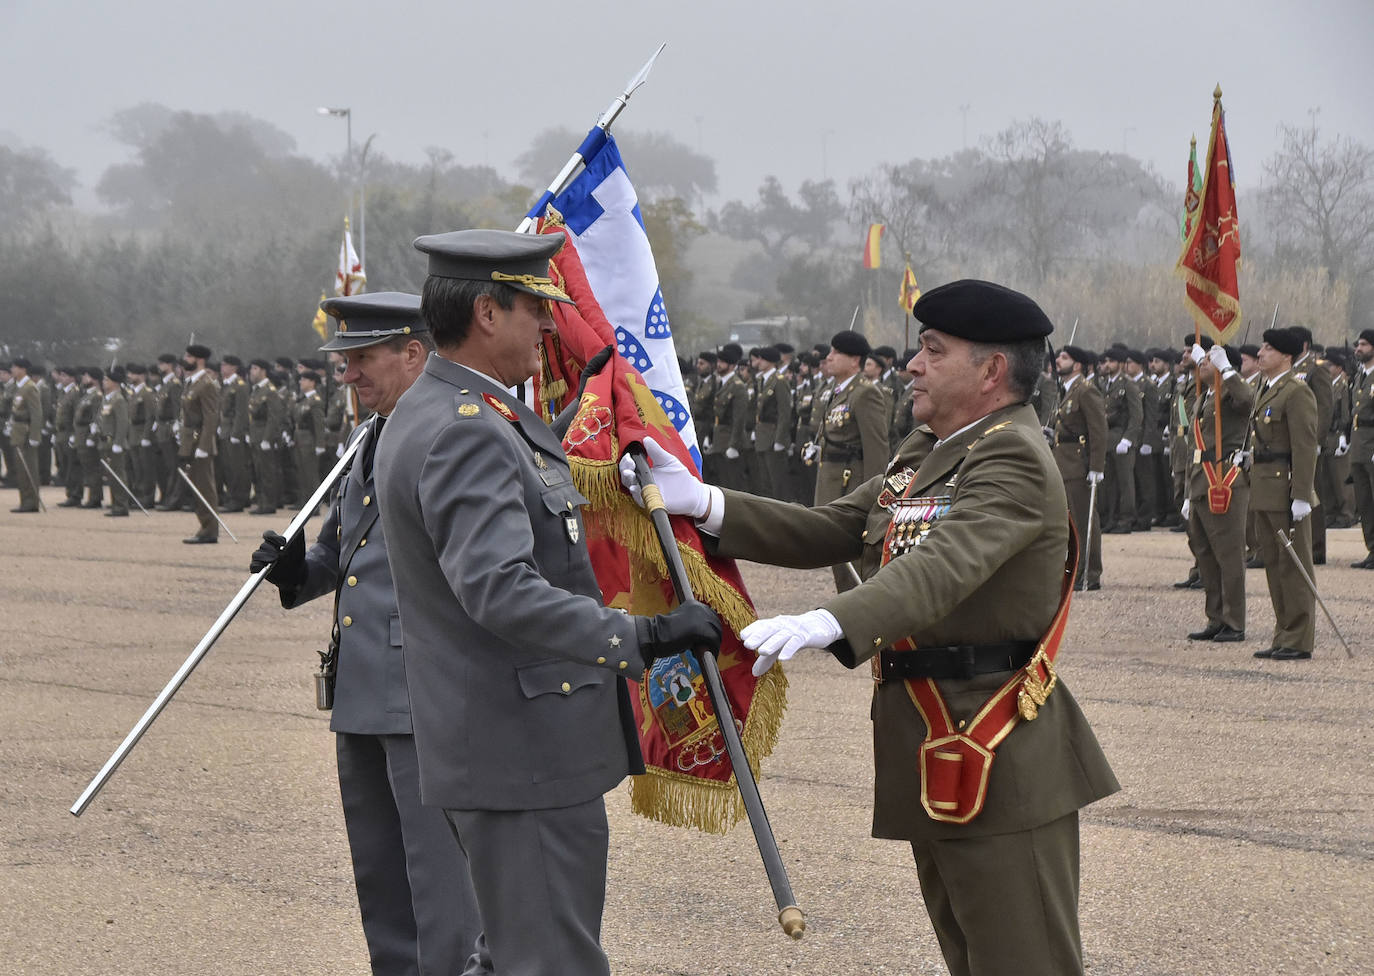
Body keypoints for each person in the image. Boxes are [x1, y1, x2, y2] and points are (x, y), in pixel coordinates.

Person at [623, 279, 1118, 976]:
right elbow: (837, 527)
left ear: (991, 370)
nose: (912, 365)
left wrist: (832, 619)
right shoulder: (929, 448)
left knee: (1024, 961)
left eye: (933, 351)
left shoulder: (1013, 458)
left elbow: (942, 566)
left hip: (997, 749)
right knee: (972, 956)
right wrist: (704, 504)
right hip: (932, 737)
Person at [374, 228, 721, 976]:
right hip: (517, 748)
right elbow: (500, 589)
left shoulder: (453, 411)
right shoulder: (468, 430)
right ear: (487, 314)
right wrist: (644, 633)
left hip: (502, 742)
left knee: (512, 956)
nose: (549, 325)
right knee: (552, 962)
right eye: (535, 308)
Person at [251, 292, 486, 976]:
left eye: (360, 360)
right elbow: (342, 551)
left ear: (414, 353)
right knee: (382, 875)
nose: (346, 375)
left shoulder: (453, 432)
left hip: (421, 689)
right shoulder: (372, 438)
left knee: (440, 881)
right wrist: (297, 570)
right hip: (360, 688)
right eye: (343, 362)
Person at [1248, 328, 1319, 661]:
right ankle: (1284, 633)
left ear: (1286, 357)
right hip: (1264, 488)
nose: (1261, 353)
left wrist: (1302, 494)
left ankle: (1299, 639)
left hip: (1286, 489)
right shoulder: (1267, 387)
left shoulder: (1296, 391)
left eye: (1268, 348)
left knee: (1294, 565)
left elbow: (1305, 446)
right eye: (1261, 347)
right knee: (1275, 566)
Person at [1182, 343, 1254, 643]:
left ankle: (1234, 621)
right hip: (1201, 481)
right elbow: (1194, 446)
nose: (1202, 362)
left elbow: (1248, 401)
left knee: (1228, 554)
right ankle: (1215, 617)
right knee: (1205, 553)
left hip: (1224, 479)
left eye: (1208, 359)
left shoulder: (1231, 391)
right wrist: (1188, 491)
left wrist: (1226, 369)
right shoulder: (1206, 394)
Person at [812, 329, 889, 591]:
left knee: (855, 560)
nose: (829, 357)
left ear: (854, 360)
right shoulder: (837, 391)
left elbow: (876, 448)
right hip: (832, 481)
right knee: (838, 556)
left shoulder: (864, 393)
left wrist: (875, 499)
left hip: (851, 484)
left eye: (836, 352)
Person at [1053, 345, 1107, 590]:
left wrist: (1097, 466)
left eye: (1064, 358)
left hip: (1078, 463)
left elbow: (1098, 430)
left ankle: (1090, 573)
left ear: (1076, 365)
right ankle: (1073, 569)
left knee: (1084, 519)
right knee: (1068, 521)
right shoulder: (1066, 391)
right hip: (1062, 462)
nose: (1057, 360)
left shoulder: (1086, 391)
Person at [178, 343, 221, 544]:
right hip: (189, 442)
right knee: (197, 486)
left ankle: (210, 529)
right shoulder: (191, 382)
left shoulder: (206, 383)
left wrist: (204, 447)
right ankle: (204, 526)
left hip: (200, 443)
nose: (185, 359)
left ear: (199, 359)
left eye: (188, 356)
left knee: (205, 488)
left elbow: (211, 417)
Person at [6, 357, 44, 512]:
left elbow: (36, 414)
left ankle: (31, 502)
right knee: (21, 470)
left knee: (29, 468)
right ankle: (25, 500)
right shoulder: (18, 387)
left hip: (27, 434)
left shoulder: (30, 387)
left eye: (14, 367)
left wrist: (35, 436)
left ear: (23, 369)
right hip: (18, 432)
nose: (12, 370)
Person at [1350, 330, 1374, 568]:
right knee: (1365, 502)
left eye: (1365, 344)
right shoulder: (1361, 376)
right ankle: (1372, 550)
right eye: (1358, 344)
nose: (1359, 348)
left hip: (1372, 445)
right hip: (1360, 446)